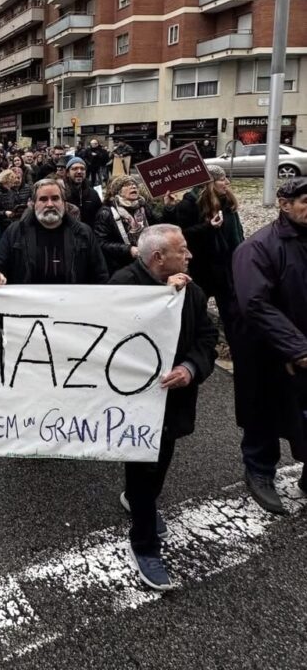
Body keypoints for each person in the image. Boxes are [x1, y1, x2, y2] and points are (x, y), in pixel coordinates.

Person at [110, 225, 217, 590]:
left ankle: (139, 499)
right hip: (133, 400)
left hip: (173, 400)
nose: (188, 256)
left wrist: (190, 368)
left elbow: (206, 337)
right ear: (158, 258)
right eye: (182, 250)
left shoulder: (191, 291)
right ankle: (144, 546)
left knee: (156, 467)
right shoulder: (121, 287)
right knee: (144, 465)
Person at [232, 177, 307, 515]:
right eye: (305, 200)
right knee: (263, 416)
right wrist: (297, 347)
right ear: (284, 203)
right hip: (268, 352)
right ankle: (259, 471)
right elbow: (256, 303)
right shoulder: (259, 247)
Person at [0, 178, 108, 287]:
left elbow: (100, 275)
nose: (50, 204)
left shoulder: (83, 232)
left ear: (64, 203)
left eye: (55, 198)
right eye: (43, 199)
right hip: (28, 307)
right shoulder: (15, 232)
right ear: (33, 204)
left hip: (71, 305)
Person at [175, 166, 244, 333]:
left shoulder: (226, 201)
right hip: (203, 266)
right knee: (196, 308)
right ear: (209, 183)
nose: (227, 182)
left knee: (231, 310)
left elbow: (237, 231)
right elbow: (182, 233)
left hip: (227, 264)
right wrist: (208, 226)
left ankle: (235, 343)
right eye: (221, 179)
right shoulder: (190, 203)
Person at [93, 176, 174, 276]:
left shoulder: (143, 207)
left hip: (147, 264)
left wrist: (168, 207)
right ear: (118, 192)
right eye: (127, 185)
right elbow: (101, 243)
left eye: (135, 185)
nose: (133, 187)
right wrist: (128, 250)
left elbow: (160, 228)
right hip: (120, 267)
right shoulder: (106, 213)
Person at [0, 169, 31, 240]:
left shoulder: (11, 191)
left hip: (11, 225)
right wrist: (4, 213)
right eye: (12, 181)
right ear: (6, 181)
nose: (13, 183)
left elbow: (16, 204)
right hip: (0, 227)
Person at [63, 156, 102, 227]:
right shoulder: (61, 193)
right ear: (68, 173)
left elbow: (99, 219)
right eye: (75, 169)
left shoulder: (93, 194)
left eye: (82, 169)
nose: (79, 171)